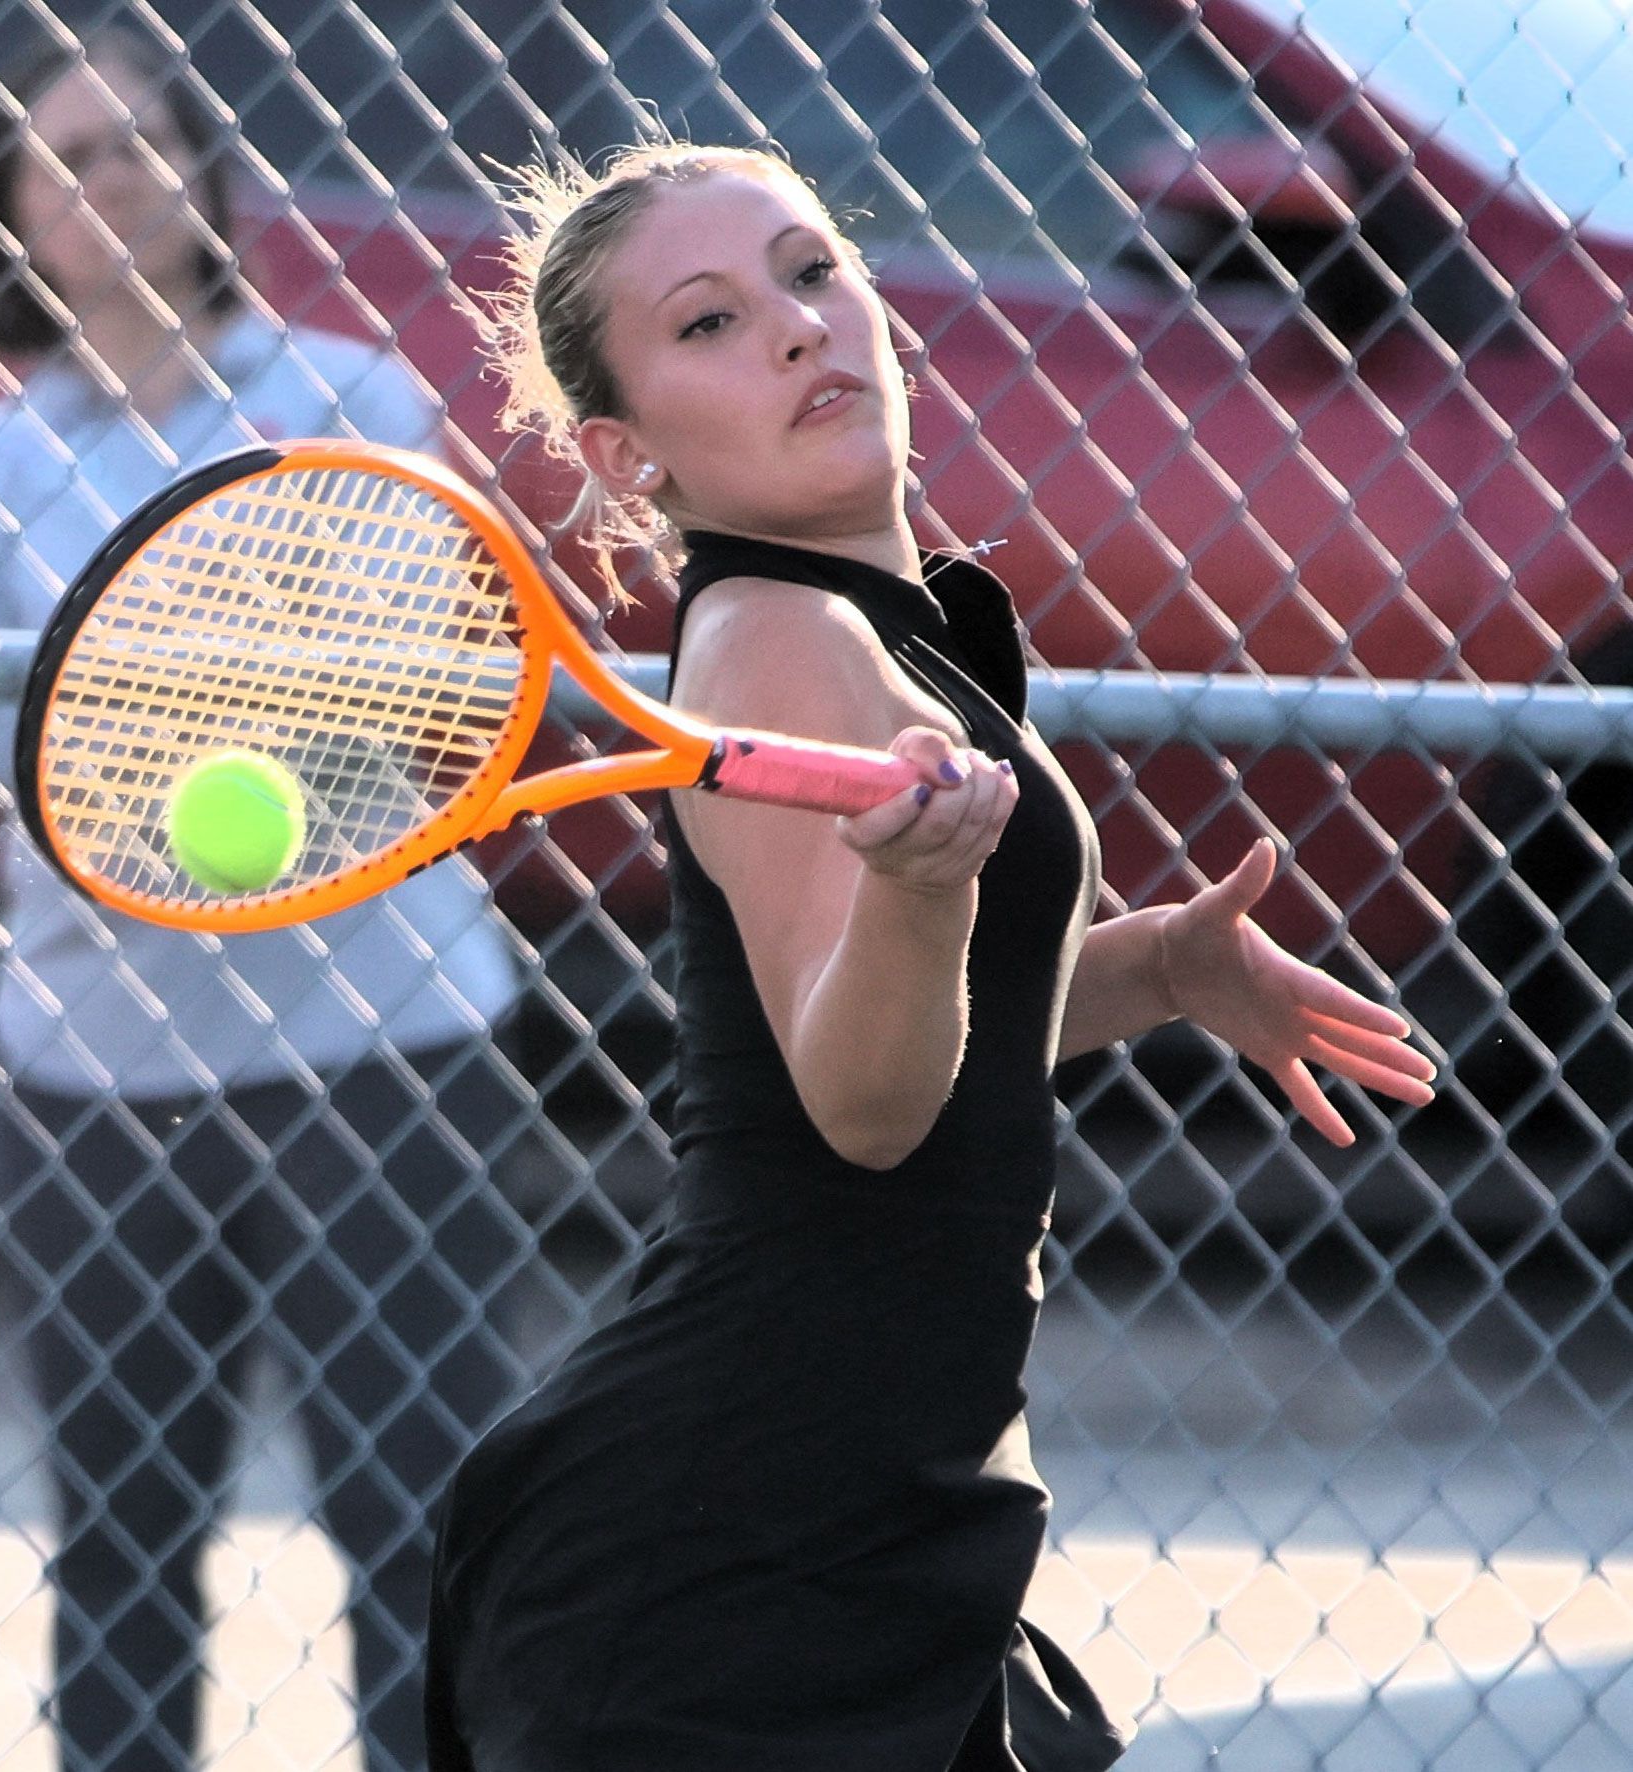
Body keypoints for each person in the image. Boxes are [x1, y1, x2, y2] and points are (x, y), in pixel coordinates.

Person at [422, 142, 1438, 1771]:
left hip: (873, 1503)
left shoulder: (882, 622)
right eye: (708, 322)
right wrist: (924, 896)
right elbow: (865, 1107)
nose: (798, 326)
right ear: (626, 454)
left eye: (812, 271)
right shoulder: (778, 637)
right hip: (731, 1551)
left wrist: (1151, 969)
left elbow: (918, 1033)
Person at [0, 31, 528, 1772]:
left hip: (384, 1045)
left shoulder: (351, 403)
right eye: (66, 155)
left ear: (205, 175)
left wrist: (106, 692)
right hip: (92, 1074)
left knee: (423, 1521)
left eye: (141, 142)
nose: (108, 179)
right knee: (122, 1540)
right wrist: (250, 664)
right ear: (9, 208)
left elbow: (404, 667)